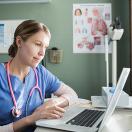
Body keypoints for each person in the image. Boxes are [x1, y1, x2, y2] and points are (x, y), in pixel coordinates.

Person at [0, 20, 78, 132]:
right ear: (19, 42)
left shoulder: (41, 73)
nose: (42, 53)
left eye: (45, 47)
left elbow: (72, 94)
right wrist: (30, 119)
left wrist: (53, 102)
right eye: (38, 44)